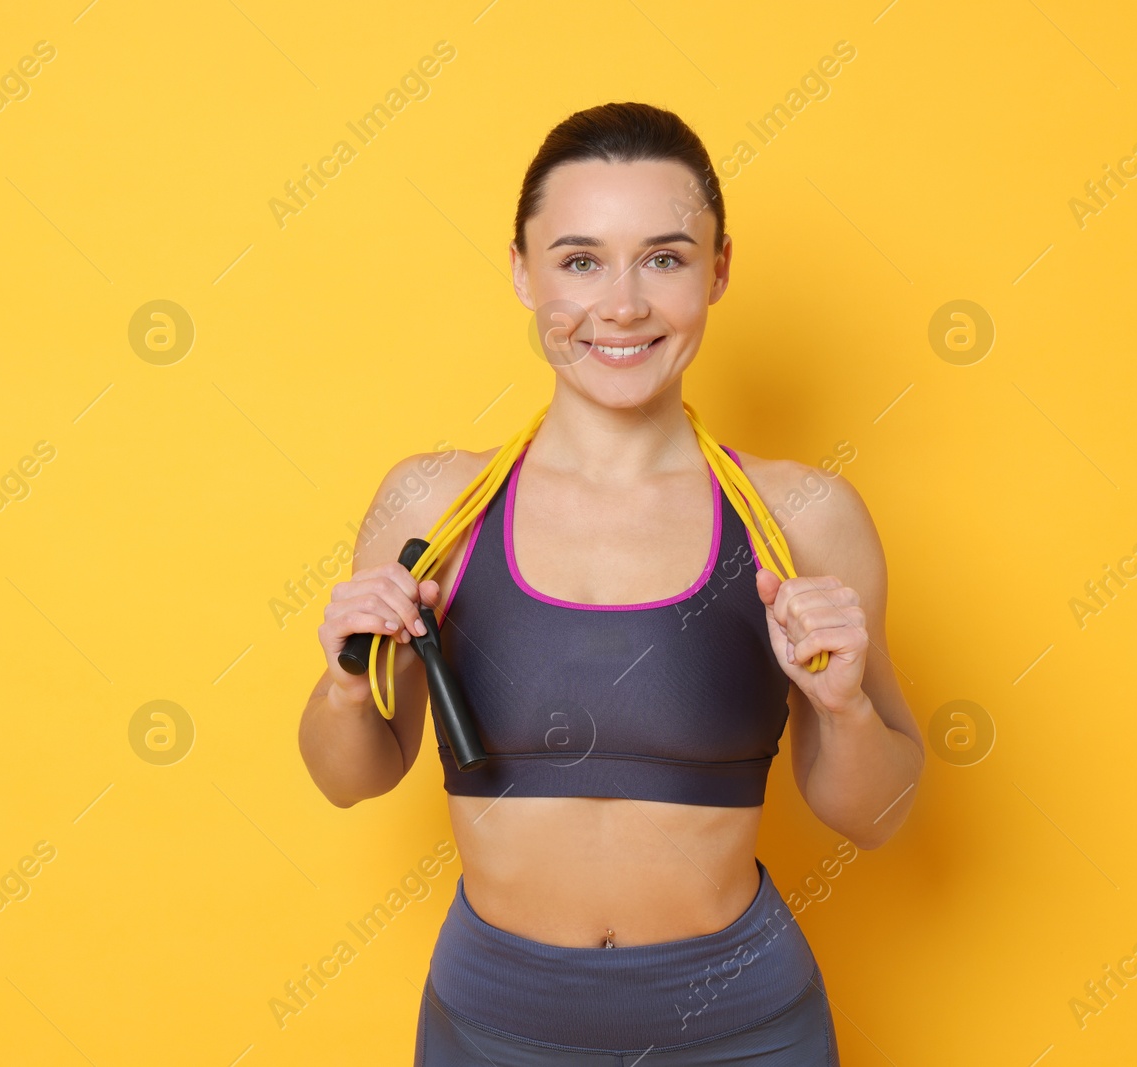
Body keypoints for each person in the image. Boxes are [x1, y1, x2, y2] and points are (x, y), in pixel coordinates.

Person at [296, 101, 924, 1065]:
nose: (621, 305)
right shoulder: (435, 504)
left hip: (743, 1027)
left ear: (718, 270)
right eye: (580, 260)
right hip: (492, 1023)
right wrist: (346, 683)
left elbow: (878, 817)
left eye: (665, 259)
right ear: (521, 270)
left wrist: (840, 707)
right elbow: (354, 775)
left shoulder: (800, 515)